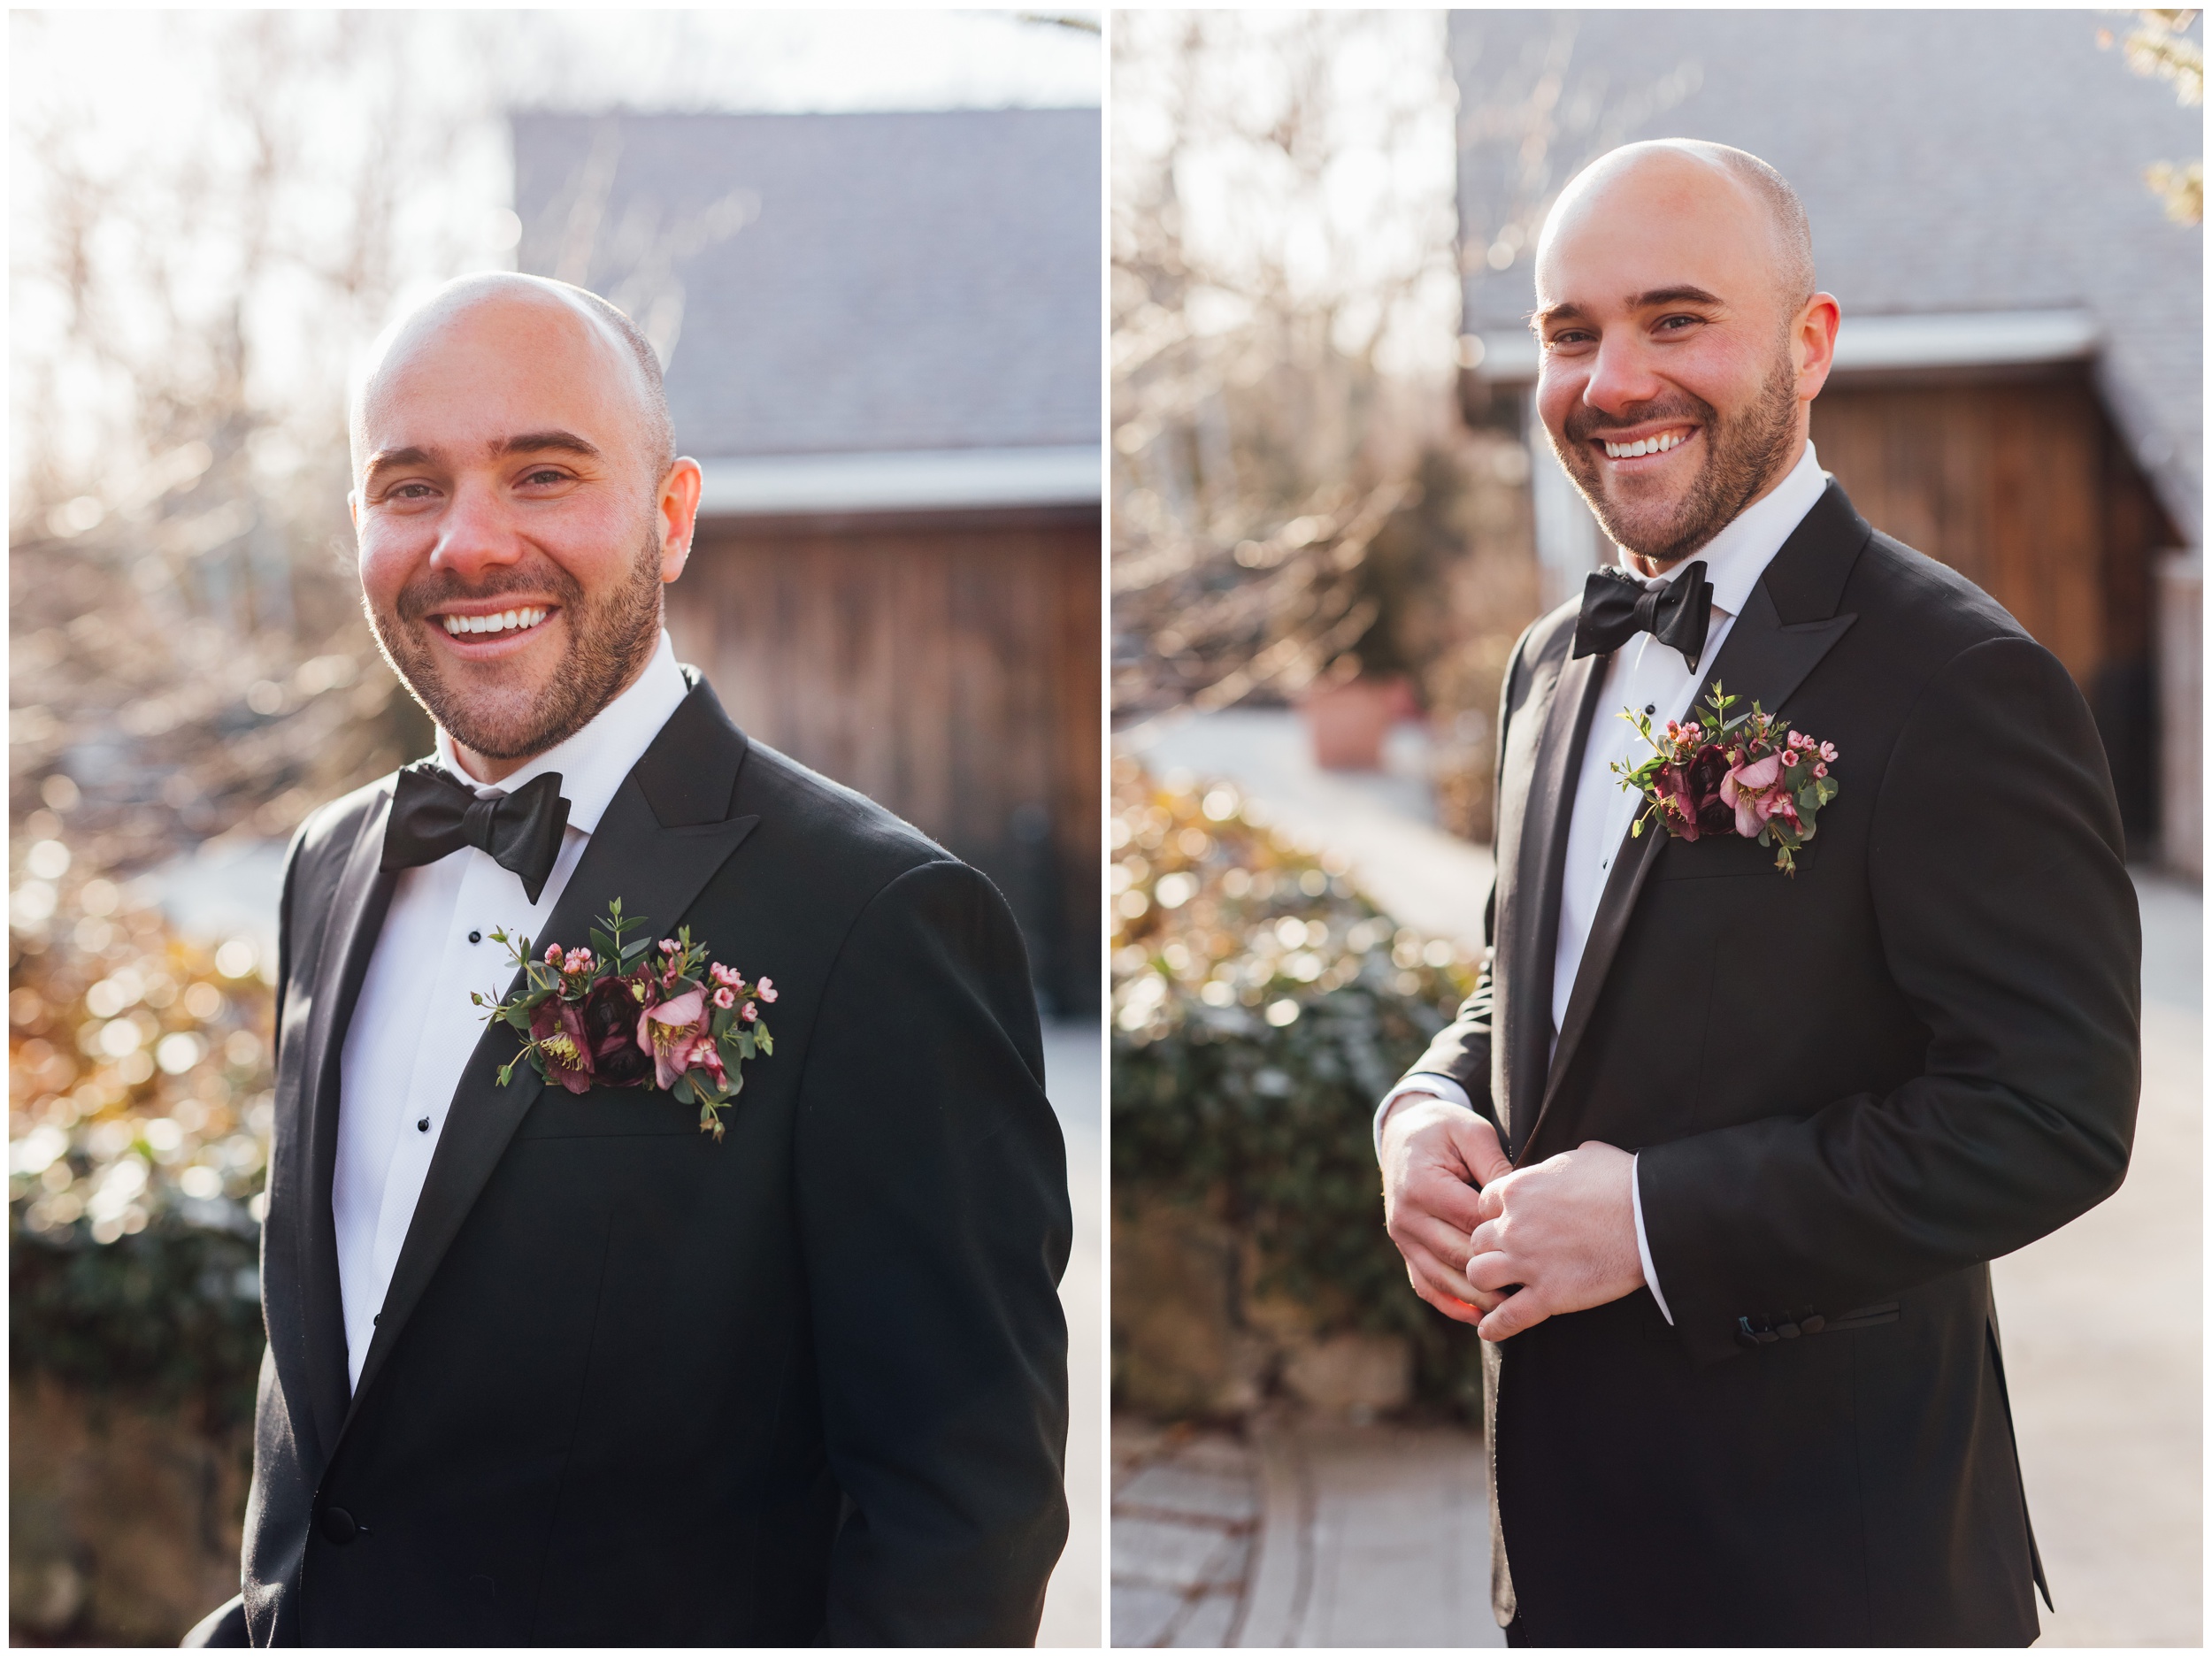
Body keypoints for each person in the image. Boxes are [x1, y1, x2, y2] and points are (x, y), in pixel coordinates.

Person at [183, 273, 1071, 1646]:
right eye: (408, 487)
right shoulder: (329, 867)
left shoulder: (879, 917)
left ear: (671, 516)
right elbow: (334, 1395)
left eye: (543, 473)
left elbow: (965, 1516)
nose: (469, 544)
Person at [1375, 141, 2139, 1646]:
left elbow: (2051, 1112)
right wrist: (1424, 1100)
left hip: (1834, 1572)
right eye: (1570, 330)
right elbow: (1532, 976)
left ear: (1811, 343)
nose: (1611, 381)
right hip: (1564, 1563)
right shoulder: (1549, 663)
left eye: (1676, 319)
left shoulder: (1964, 680)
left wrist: (1658, 1217)